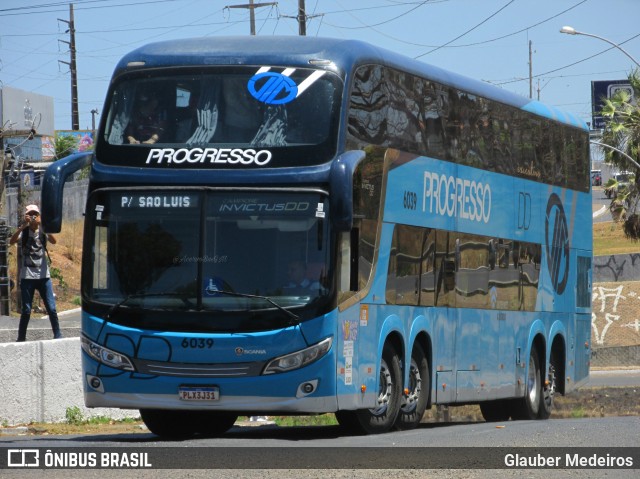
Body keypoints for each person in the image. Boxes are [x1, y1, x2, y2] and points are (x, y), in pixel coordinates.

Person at [9, 204, 62, 342]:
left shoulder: (43, 231)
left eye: (35, 214)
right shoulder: (24, 231)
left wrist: (43, 224)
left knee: (51, 308)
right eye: (30, 214)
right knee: (26, 310)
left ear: (38, 215)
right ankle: (21, 339)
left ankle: (58, 336)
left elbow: (54, 241)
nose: (33, 217)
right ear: (26, 216)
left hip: (44, 276)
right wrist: (23, 225)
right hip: (27, 277)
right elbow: (11, 241)